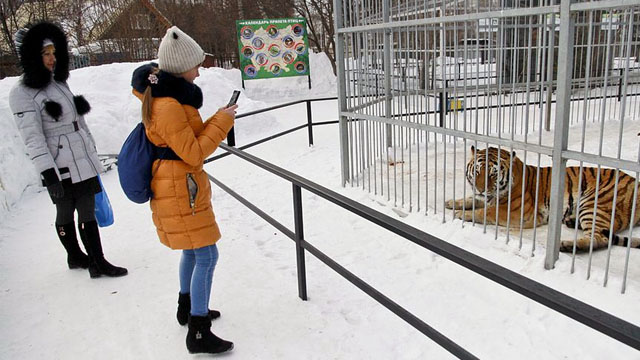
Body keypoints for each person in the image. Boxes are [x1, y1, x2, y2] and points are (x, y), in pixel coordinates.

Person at [130, 26, 237, 354]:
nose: (200, 69)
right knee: (206, 253)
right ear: (179, 67)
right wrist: (222, 123)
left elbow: (186, 141)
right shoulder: (169, 105)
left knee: (192, 250)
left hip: (179, 185)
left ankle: (187, 308)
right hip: (180, 188)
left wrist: (219, 117)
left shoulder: (171, 96)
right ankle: (199, 330)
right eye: (196, 64)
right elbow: (192, 153)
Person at [9, 21, 127, 279]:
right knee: (65, 210)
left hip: (81, 157)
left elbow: (78, 121)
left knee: (86, 208)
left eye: (54, 53)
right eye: (45, 54)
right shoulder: (22, 93)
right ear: (32, 57)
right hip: (59, 162)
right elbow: (33, 137)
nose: (52, 59)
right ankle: (75, 255)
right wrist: (48, 172)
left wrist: (91, 147)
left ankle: (98, 261)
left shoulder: (59, 83)